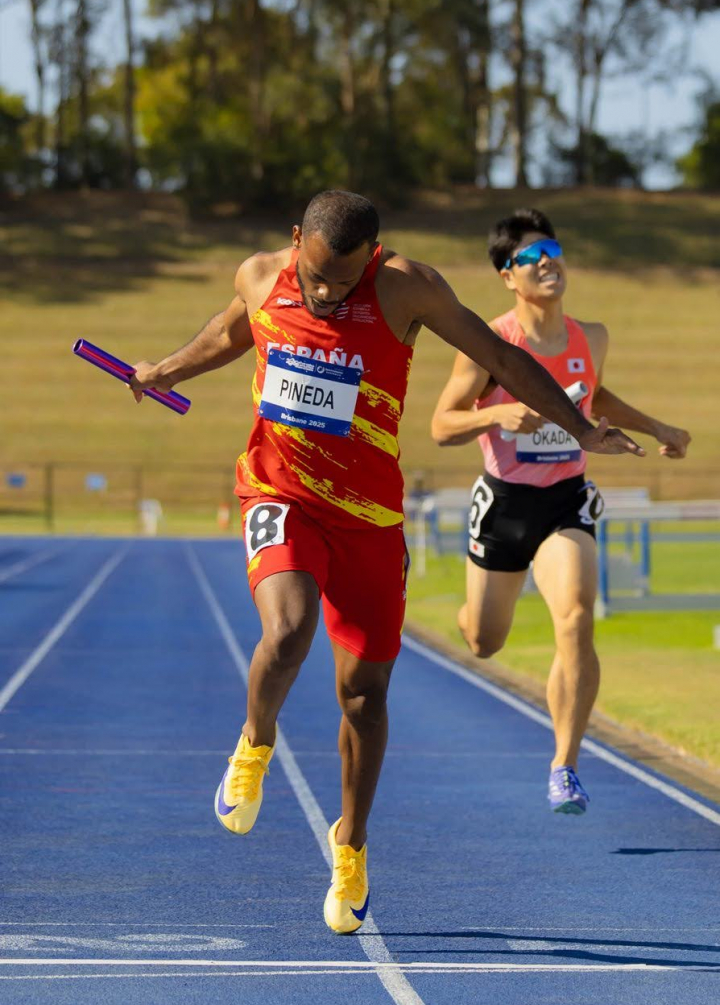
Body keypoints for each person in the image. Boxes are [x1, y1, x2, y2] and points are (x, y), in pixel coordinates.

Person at [130, 192, 642, 933]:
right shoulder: (261, 274)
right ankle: (255, 741)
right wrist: (168, 370)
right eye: (316, 275)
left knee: (364, 695)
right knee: (288, 628)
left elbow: (500, 356)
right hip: (280, 491)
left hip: (370, 519)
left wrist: (582, 428)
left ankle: (351, 845)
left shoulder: (407, 286)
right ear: (294, 239)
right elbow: (234, 328)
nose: (328, 292)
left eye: (344, 279)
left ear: (372, 256)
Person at [431, 208, 690, 816]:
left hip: (564, 499)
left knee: (576, 616)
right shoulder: (489, 345)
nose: (546, 260)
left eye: (551, 247)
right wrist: (493, 414)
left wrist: (657, 426)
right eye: (529, 256)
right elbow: (442, 425)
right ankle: (471, 606)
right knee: (483, 641)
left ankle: (564, 765)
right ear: (507, 276)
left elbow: (594, 396)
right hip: (504, 505)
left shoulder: (590, 337)